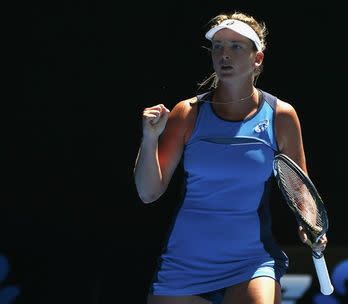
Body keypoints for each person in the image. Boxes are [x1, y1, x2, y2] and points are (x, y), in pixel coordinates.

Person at [133, 11, 328, 304]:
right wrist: (149, 140)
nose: (225, 54)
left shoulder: (281, 116)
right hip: (186, 264)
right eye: (218, 47)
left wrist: (309, 225)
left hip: (250, 263)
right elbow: (148, 192)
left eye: (236, 46)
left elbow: (301, 193)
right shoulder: (186, 113)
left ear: (257, 58)